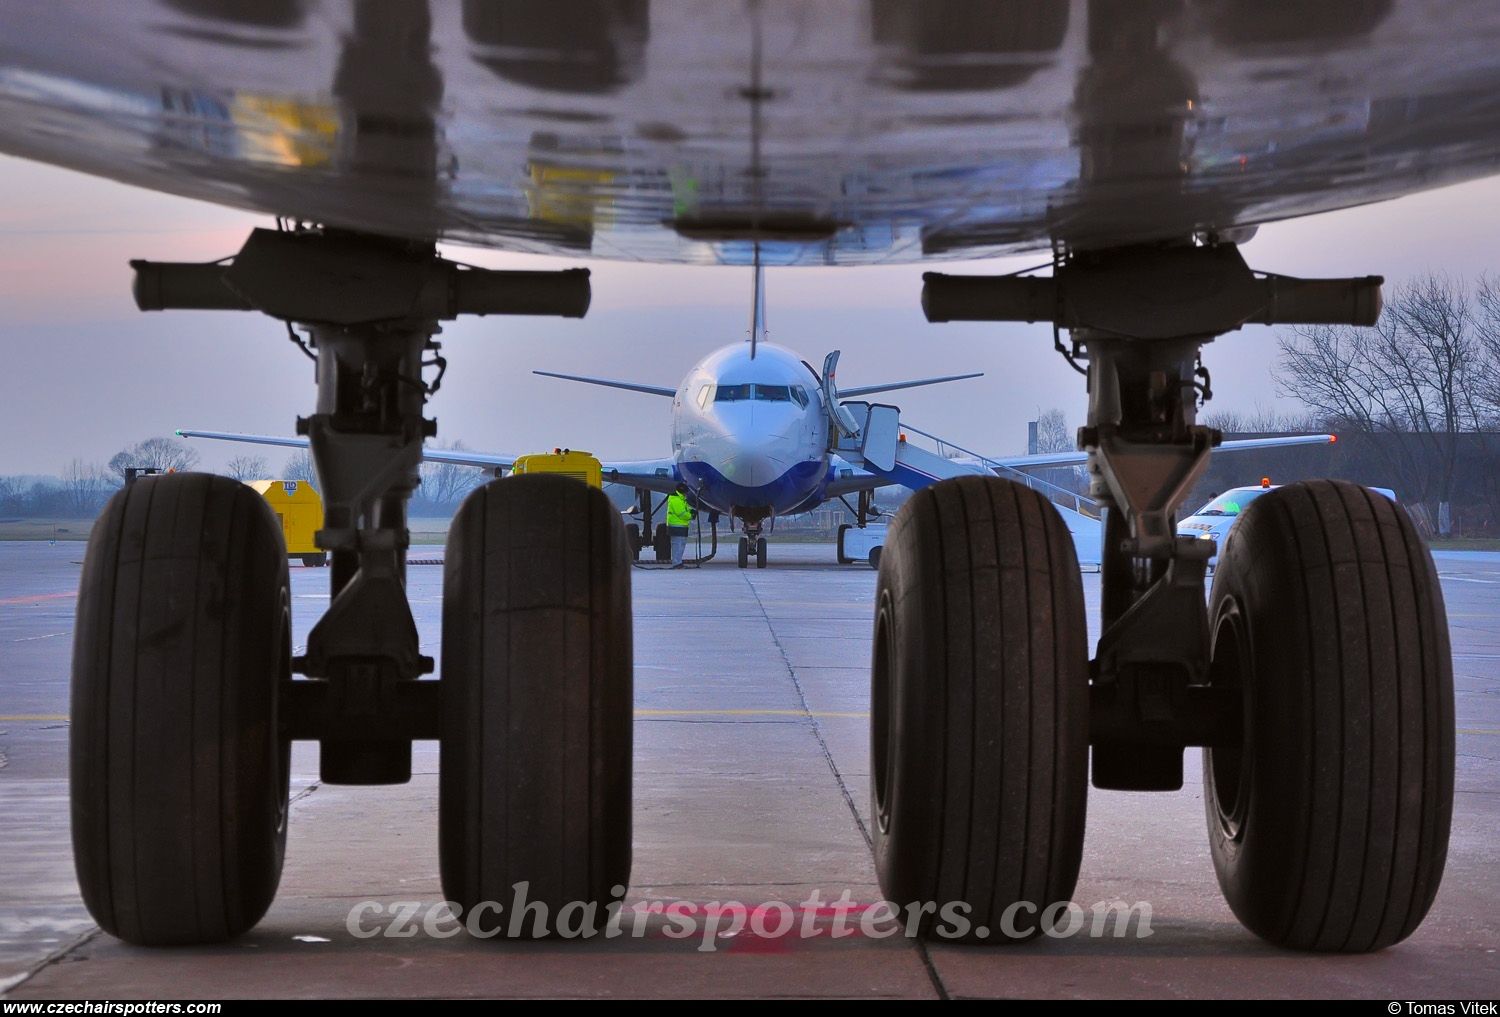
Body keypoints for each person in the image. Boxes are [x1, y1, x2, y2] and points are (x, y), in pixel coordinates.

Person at [666, 483, 695, 568]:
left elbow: (684, 508)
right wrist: (691, 516)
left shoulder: (680, 499)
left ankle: (678, 562)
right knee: (678, 545)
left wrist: (691, 510)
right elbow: (682, 513)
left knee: (680, 545)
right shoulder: (676, 500)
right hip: (677, 525)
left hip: (680, 525)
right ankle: (676, 563)